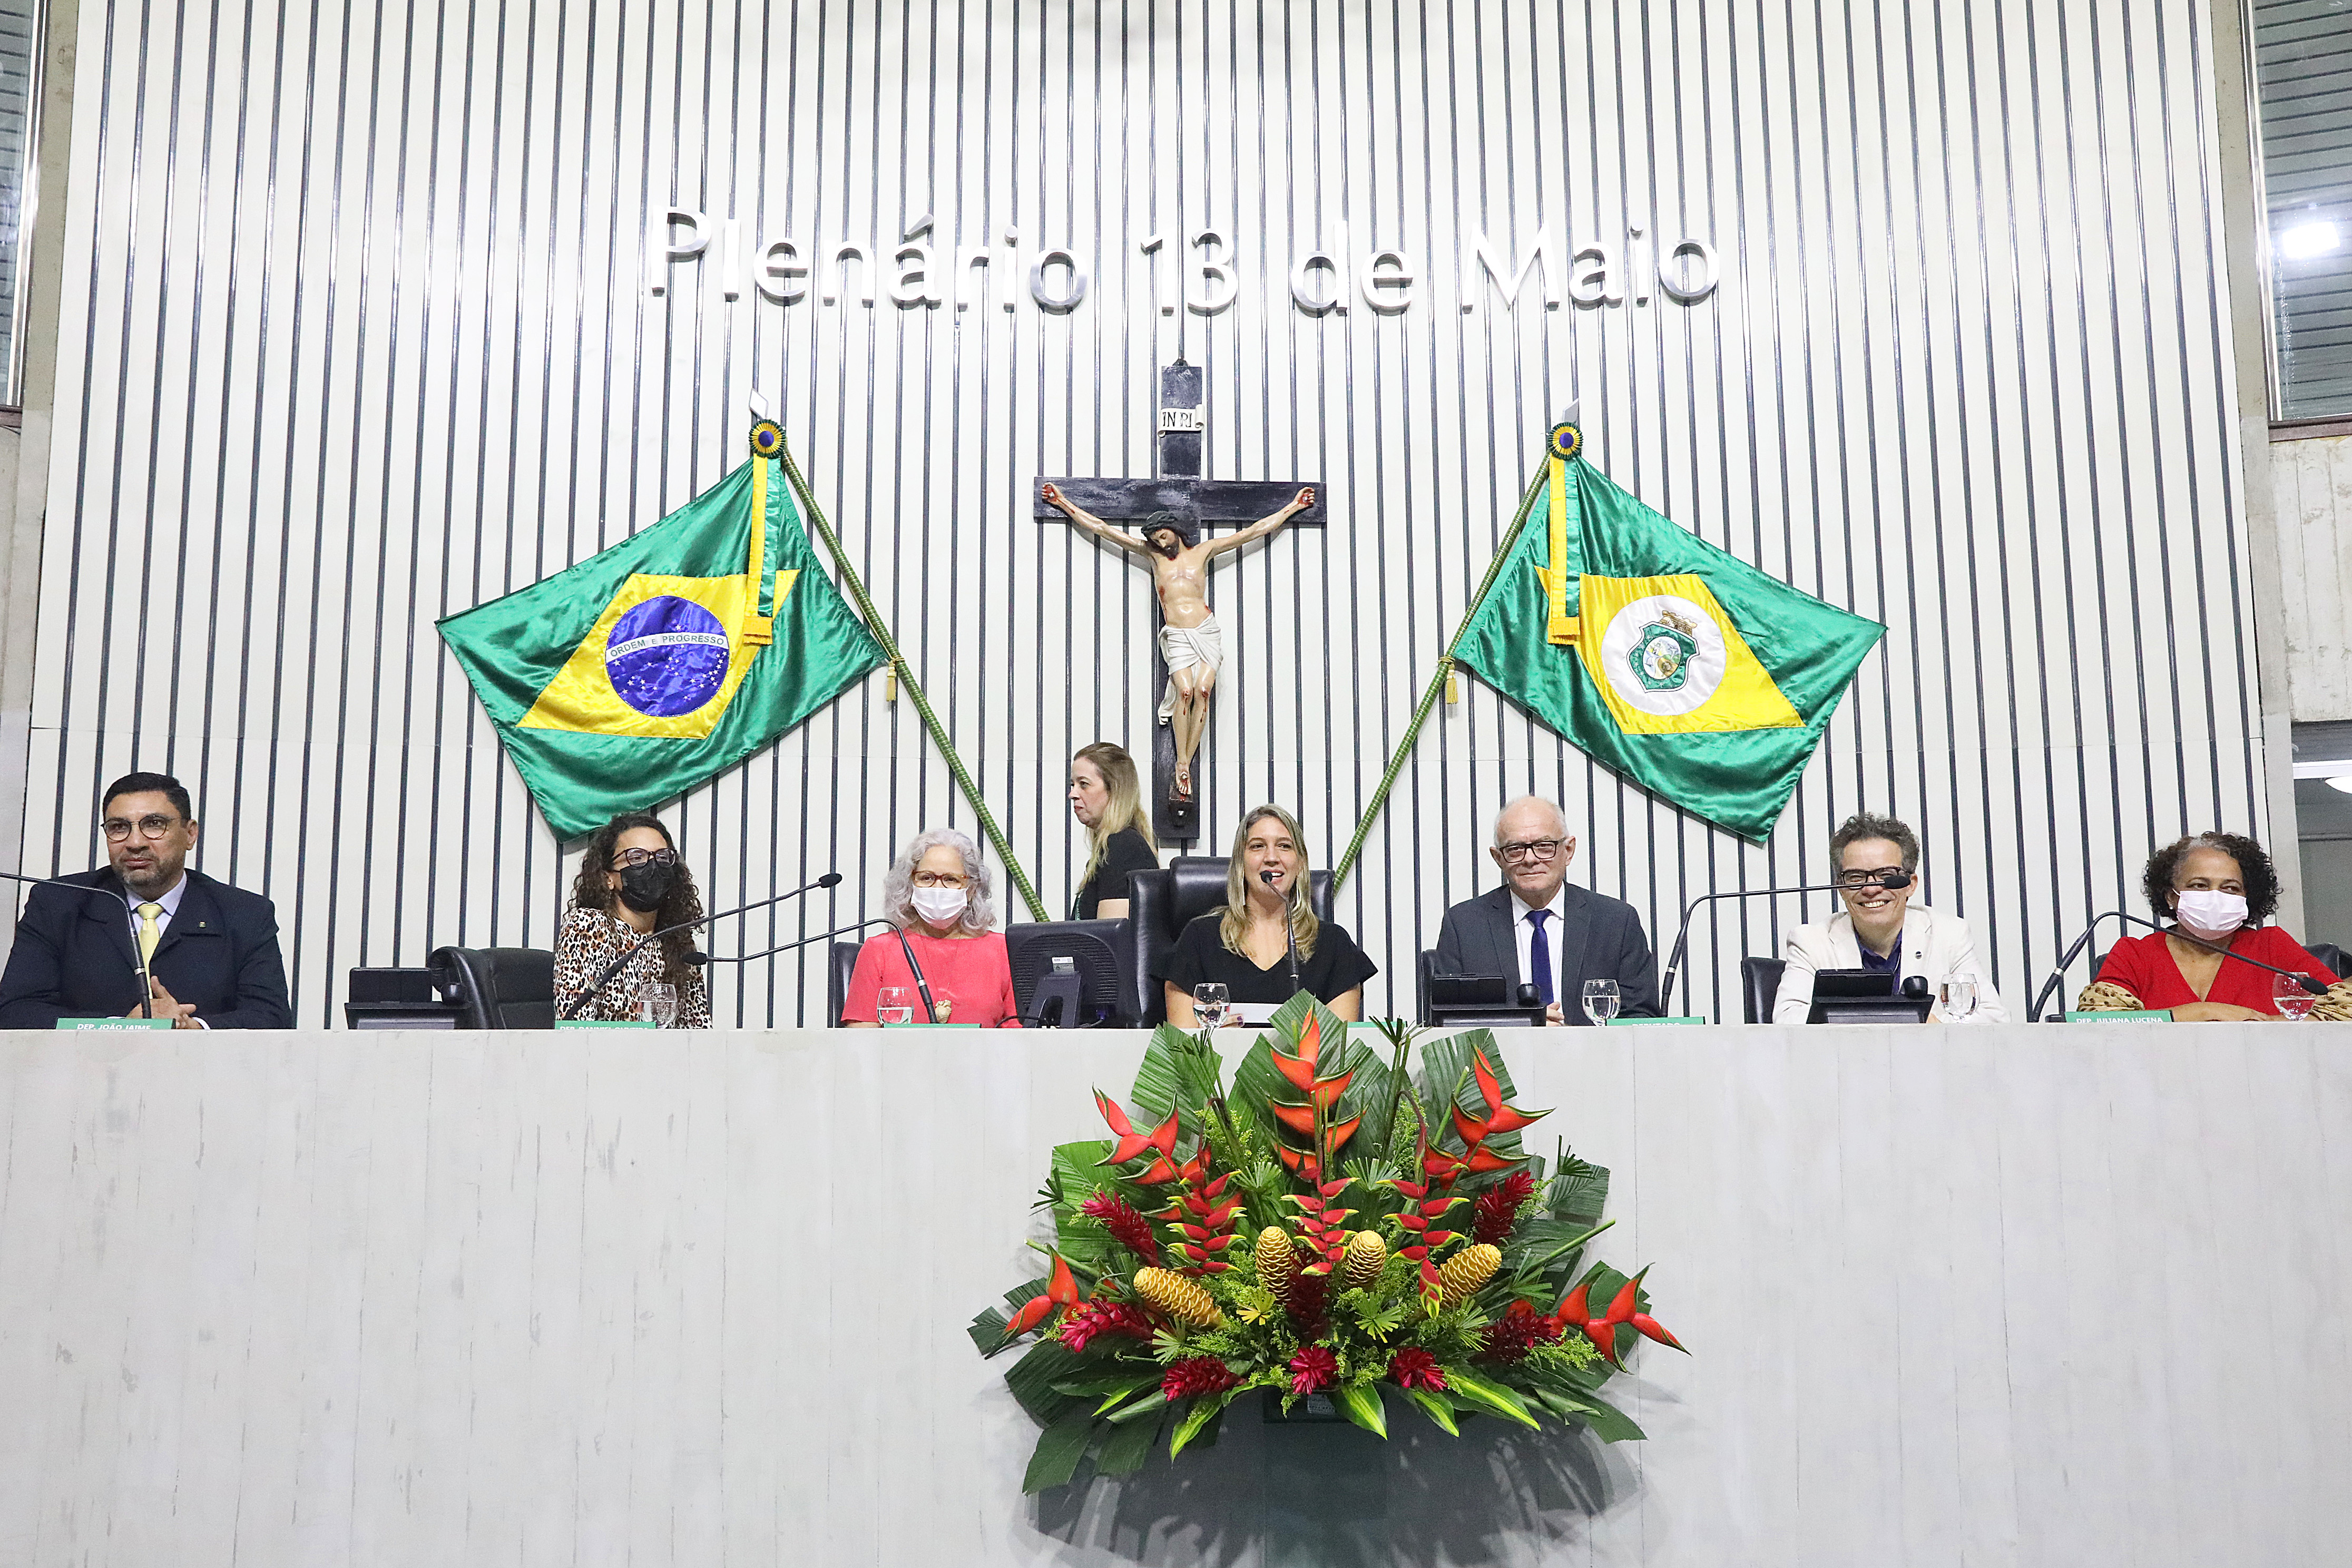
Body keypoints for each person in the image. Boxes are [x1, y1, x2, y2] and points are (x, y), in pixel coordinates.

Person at [1040, 483, 1315, 801]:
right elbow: (1104, 529)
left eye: (1163, 535)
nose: (1160, 542)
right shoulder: (1154, 558)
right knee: (1185, 692)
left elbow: (1253, 532)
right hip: (1177, 634)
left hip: (1205, 629)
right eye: (1155, 539)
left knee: (1204, 691)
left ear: (1174, 530)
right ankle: (1182, 762)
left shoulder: (1204, 551)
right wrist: (1062, 501)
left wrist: (1293, 507)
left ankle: (1187, 759)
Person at [0, 771, 291, 1028]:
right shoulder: (59, 903)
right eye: (118, 827)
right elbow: (15, 1011)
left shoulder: (245, 913)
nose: (135, 842)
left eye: (154, 824)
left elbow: (271, 1017)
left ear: (190, 834)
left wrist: (193, 1029)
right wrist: (118, 1028)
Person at [2076, 831, 2348, 1021]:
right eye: (2199, 886)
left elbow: (2343, 1008)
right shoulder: (2134, 953)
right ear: (2172, 896)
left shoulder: (2270, 945)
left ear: (2247, 897)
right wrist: (2196, 1013)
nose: (2216, 897)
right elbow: (2099, 1021)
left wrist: (2268, 1024)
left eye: (2230, 888)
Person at [1433, 796, 1658, 1025]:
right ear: (1499, 858)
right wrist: (1523, 1025)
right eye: (1515, 849)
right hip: (1504, 1060)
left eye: (1544, 847)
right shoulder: (1465, 926)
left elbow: (1642, 1019)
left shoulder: (1616, 922)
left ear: (1568, 851)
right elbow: (1448, 1022)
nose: (1530, 859)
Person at [1771, 811, 2008, 1024]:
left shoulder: (1949, 935)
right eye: (1856, 877)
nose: (1872, 889)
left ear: (1910, 885)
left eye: (1887, 875)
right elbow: (1787, 1019)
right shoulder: (1811, 942)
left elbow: (1994, 1017)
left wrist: (1933, 1026)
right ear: (1841, 888)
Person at [1155, 805, 1376, 1024]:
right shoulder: (1198, 939)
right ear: (1241, 863)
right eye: (1258, 846)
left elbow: (1338, 1051)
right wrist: (1217, 1040)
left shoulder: (1334, 945)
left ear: (1300, 864)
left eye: (1284, 846)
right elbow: (1182, 1049)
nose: (1271, 857)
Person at [841, 829, 1021, 1027]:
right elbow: (860, 1038)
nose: (938, 888)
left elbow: (1020, 1035)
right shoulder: (880, 950)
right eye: (926, 878)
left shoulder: (1002, 949)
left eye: (952, 879)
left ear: (971, 890)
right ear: (910, 885)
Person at [551, 812, 713, 1027]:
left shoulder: (676, 939)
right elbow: (577, 1028)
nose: (652, 866)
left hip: (670, 1060)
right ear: (608, 877)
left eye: (662, 857)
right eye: (636, 858)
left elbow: (699, 1029)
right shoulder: (590, 926)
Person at [1068, 741, 1159, 920]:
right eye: (1073, 785)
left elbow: (1110, 941)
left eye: (1084, 784)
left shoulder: (1123, 847)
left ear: (1115, 789)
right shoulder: (1115, 846)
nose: (1073, 794)